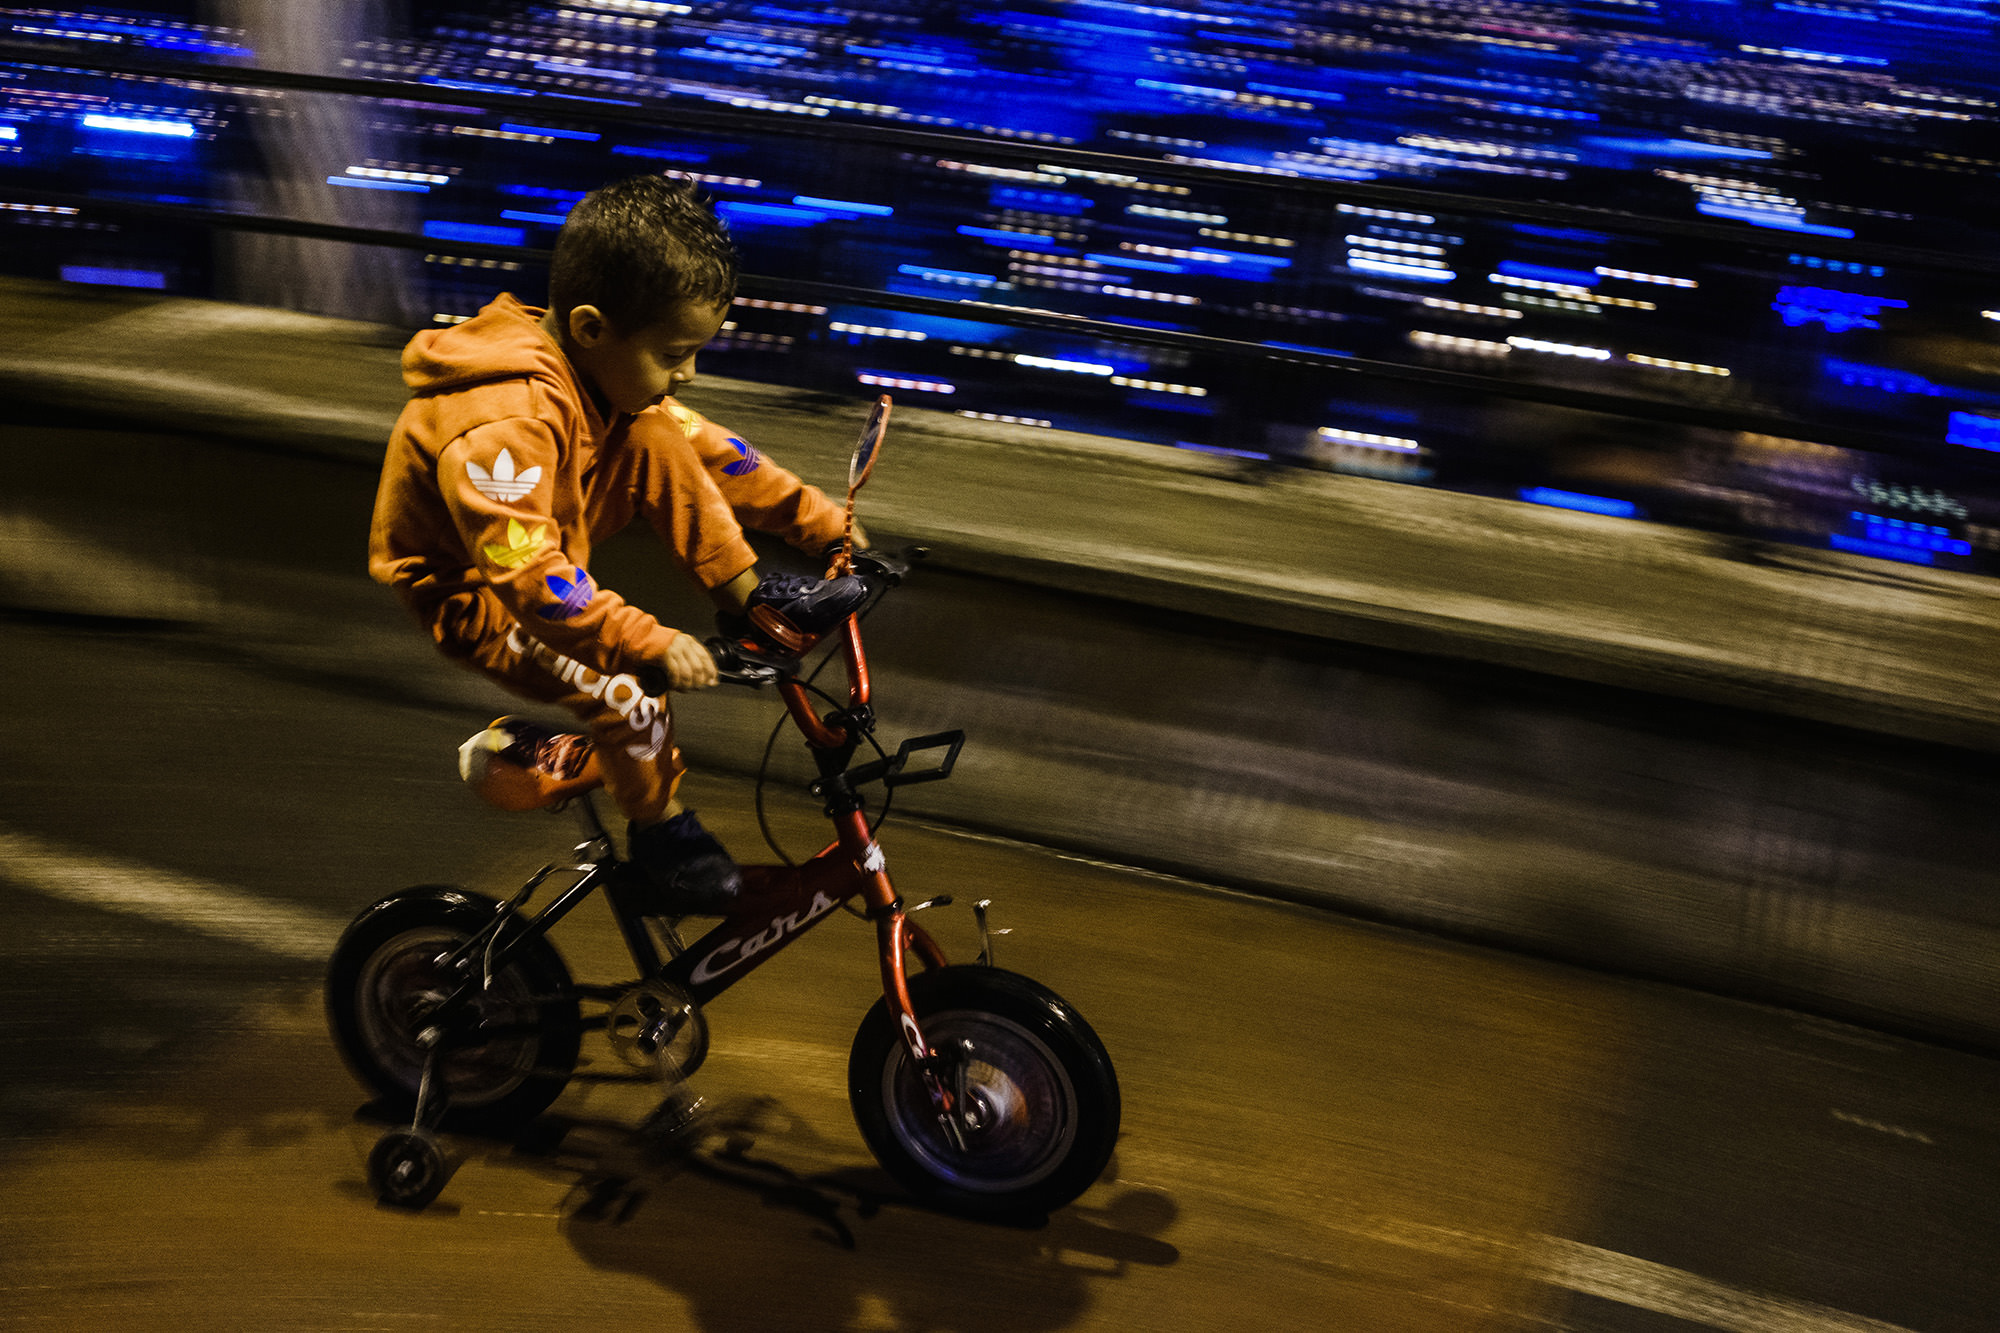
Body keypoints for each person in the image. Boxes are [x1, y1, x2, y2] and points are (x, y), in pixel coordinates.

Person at [367, 173, 864, 915]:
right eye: (673, 354)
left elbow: (718, 454)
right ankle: (662, 839)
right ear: (593, 328)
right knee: (630, 695)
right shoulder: (499, 427)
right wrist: (644, 641)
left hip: (550, 534)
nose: (687, 372)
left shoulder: (600, 383)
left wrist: (828, 525)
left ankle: (754, 601)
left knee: (664, 432)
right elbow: (529, 577)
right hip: (480, 595)